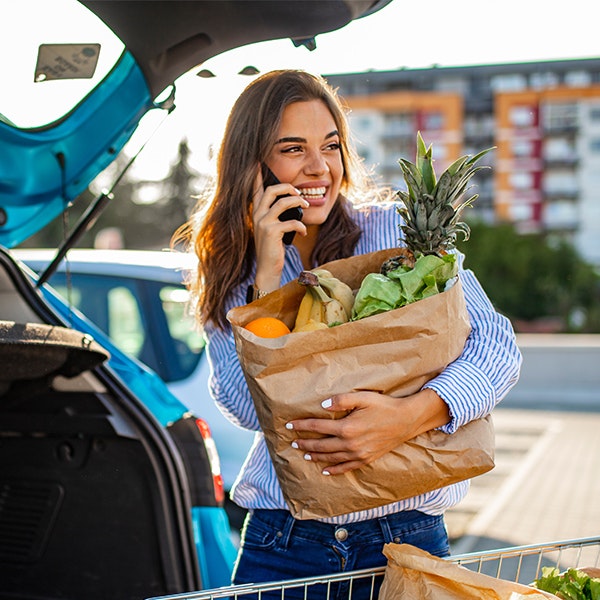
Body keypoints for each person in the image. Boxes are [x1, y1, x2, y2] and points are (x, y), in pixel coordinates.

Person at [177, 69, 521, 593]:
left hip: (404, 538)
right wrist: (267, 278)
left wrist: (410, 415)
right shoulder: (233, 266)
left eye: (331, 146)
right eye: (293, 149)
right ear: (254, 165)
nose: (320, 168)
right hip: (284, 542)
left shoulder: (393, 232)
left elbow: (497, 346)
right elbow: (249, 411)